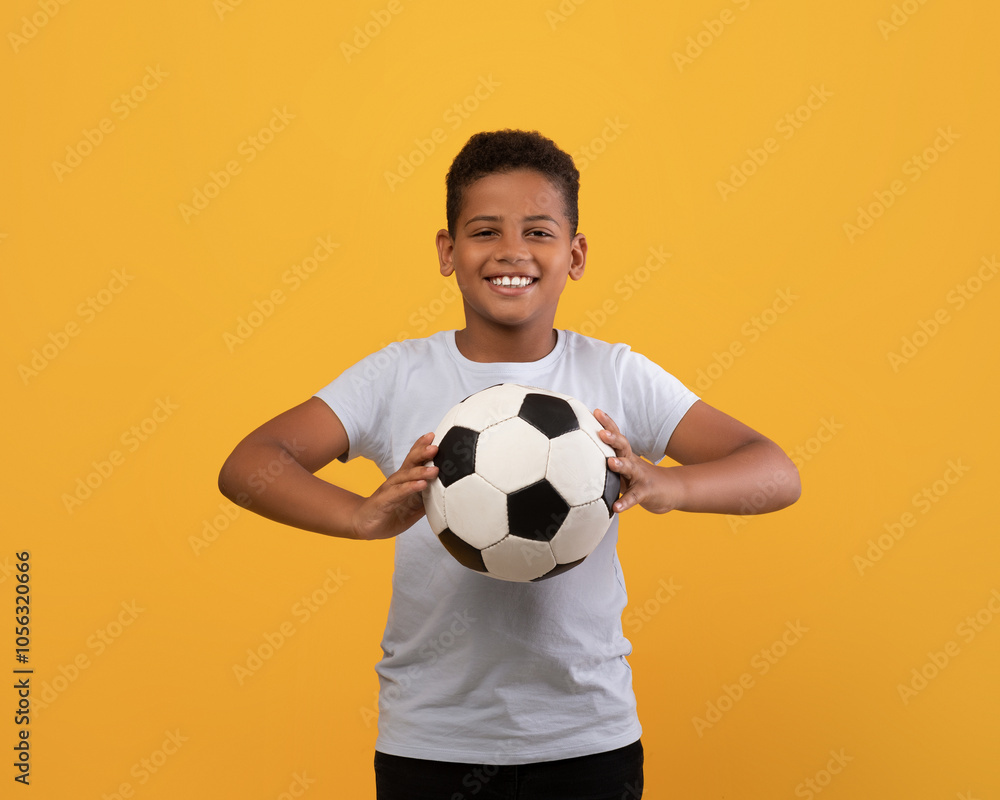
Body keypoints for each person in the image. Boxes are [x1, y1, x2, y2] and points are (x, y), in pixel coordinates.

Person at [218, 129, 801, 799]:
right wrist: (358, 515)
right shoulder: (399, 375)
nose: (512, 253)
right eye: (485, 231)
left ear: (575, 254)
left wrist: (670, 483)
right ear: (448, 251)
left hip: (587, 739)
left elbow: (775, 472)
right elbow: (251, 463)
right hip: (431, 742)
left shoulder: (613, 373)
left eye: (539, 232)